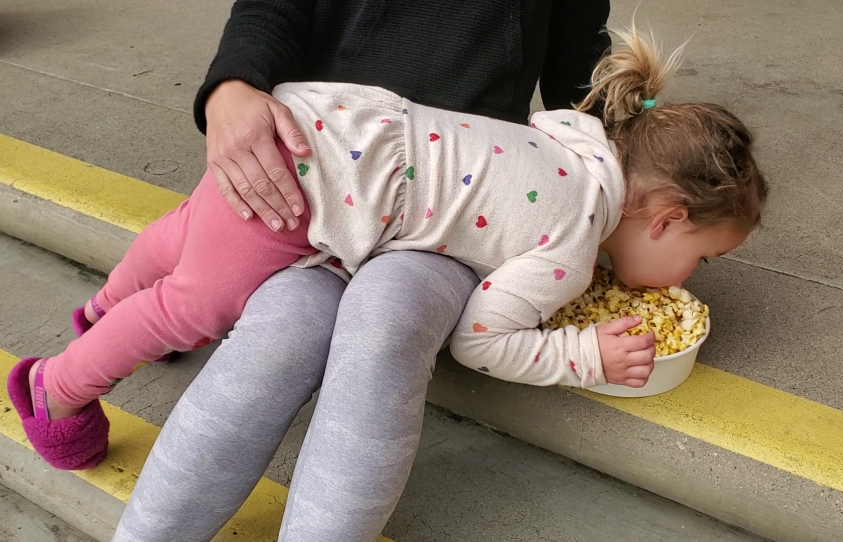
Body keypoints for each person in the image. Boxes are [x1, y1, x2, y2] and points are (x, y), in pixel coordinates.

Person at [8, 23, 768, 540]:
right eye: (704, 257)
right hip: (305, 193)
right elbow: (478, 340)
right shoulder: (566, 245)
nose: (692, 274)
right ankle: (56, 389)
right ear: (665, 217)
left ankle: (100, 308)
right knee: (193, 306)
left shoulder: (575, 138)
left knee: (183, 232)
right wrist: (581, 355)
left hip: (313, 123)